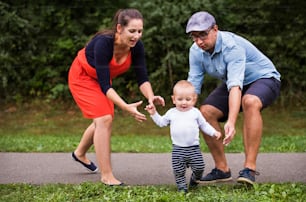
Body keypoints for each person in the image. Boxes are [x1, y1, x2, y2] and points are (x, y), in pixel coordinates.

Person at [68, 8, 165, 186]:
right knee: (104, 119)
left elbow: (142, 78)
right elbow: (106, 86)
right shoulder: (103, 43)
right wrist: (126, 106)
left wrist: (151, 97)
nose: (136, 36)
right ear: (119, 28)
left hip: (101, 80)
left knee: (103, 119)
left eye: (140, 31)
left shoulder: (136, 47)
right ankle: (107, 176)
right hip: (82, 77)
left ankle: (79, 153)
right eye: (132, 31)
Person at [185, 11, 281, 185]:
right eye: (194, 37)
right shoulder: (196, 51)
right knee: (205, 112)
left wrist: (231, 121)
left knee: (250, 101)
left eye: (203, 35)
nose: (199, 41)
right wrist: (183, 114)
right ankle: (222, 170)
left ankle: (249, 169)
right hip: (235, 82)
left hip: (264, 78)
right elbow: (192, 86)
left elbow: (235, 86)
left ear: (215, 29)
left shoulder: (232, 46)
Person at [145, 80, 221, 193]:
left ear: (194, 99)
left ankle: (195, 180)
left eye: (188, 99)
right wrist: (154, 113)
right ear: (174, 99)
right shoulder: (172, 113)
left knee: (199, 168)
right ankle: (182, 187)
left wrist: (214, 132)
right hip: (178, 149)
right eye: (180, 99)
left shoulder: (195, 112)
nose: (184, 102)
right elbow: (161, 122)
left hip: (194, 149)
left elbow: (204, 125)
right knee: (178, 171)